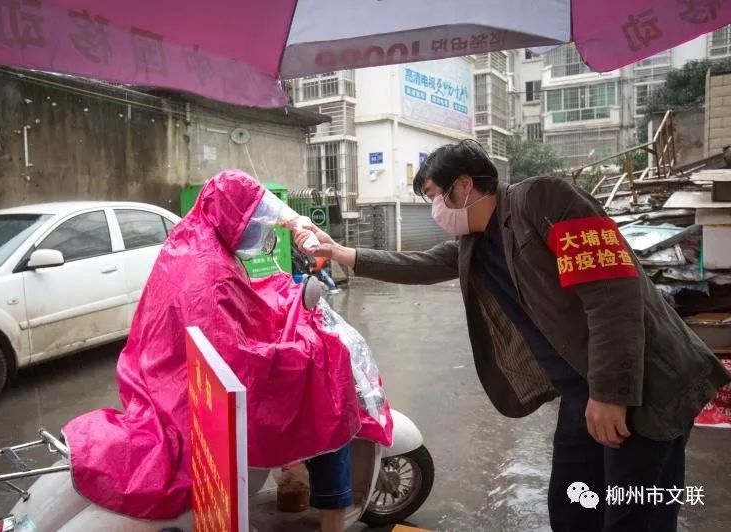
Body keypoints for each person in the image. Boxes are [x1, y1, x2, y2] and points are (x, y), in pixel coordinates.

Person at [293, 140, 731, 532]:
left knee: (636, 513)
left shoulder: (547, 200)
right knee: (574, 506)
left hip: (641, 382)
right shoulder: (475, 242)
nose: (434, 210)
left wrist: (610, 393)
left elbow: (612, 294)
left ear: (462, 186)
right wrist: (342, 253)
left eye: (432, 197)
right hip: (583, 393)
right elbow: (420, 264)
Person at [63, 170, 391, 531]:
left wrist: (283, 278)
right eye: (254, 220)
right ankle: (328, 519)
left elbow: (232, 315)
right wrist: (309, 348)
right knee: (329, 404)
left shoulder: (191, 241)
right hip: (196, 393)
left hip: (163, 374)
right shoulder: (211, 269)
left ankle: (293, 474)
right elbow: (234, 355)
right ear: (234, 215)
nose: (259, 229)